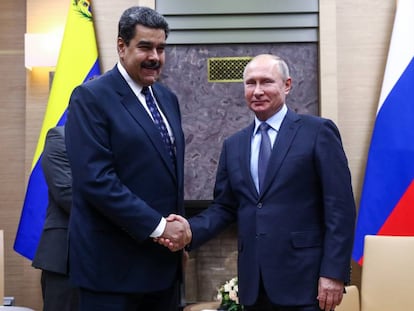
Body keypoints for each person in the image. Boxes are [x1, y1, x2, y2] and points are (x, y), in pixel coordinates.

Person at [163, 54, 356, 311]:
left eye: (266, 82)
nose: (257, 91)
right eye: (250, 83)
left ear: (287, 85)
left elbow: (340, 208)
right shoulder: (234, 145)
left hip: (306, 283)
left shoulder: (318, 132)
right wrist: (189, 231)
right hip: (254, 287)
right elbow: (225, 208)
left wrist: (334, 272)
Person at [64, 6, 191, 311]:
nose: (155, 57)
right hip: (112, 272)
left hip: (162, 268)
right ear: (121, 46)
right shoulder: (90, 97)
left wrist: (177, 232)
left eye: (161, 48)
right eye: (145, 47)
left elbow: (167, 172)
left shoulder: (167, 98)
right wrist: (160, 227)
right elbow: (96, 181)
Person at [32, 125, 79, 311]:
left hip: (112, 259)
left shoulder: (115, 141)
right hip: (66, 255)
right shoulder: (60, 136)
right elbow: (66, 193)